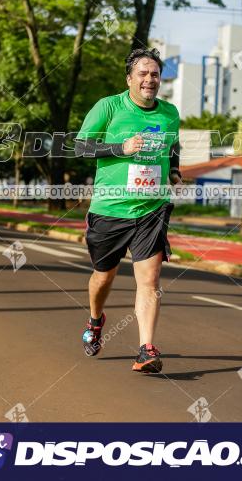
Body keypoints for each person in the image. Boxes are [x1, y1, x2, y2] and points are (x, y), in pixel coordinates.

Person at [75, 47, 182, 373]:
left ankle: (146, 348)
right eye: (143, 74)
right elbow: (81, 146)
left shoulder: (169, 112)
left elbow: (173, 145)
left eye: (155, 75)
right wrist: (120, 148)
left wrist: (174, 169)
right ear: (130, 79)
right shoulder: (109, 107)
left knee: (149, 279)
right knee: (103, 276)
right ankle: (95, 320)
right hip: (110, 207)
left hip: (151, 207)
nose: (150, 80)